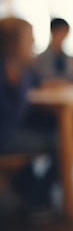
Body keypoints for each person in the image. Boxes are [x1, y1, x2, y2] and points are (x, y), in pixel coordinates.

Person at [0, 17, 57, 218]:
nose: (33, 43)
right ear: (12, 43)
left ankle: (30, 194)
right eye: (29, 38)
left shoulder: (19, 70)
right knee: (60, 142)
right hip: (5, 135)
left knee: (47, 135)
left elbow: (40, 81)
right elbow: (9, 115)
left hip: (11, 131)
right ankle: (37, 201)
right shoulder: (7, 72)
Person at [33, 17, 73, 86]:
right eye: (60, 31)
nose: (63, 36)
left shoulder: (69, 58)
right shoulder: (42, 58)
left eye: (65, 32)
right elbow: (41, 80)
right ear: (52, 31)